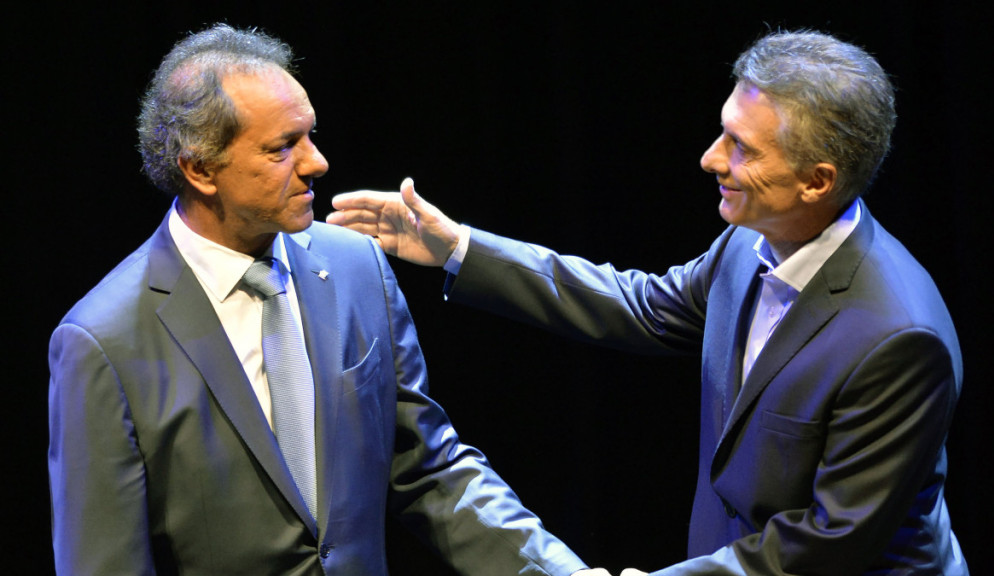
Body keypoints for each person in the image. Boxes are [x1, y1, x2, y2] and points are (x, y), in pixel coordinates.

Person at [328, 30, 968, 575]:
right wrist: (458, 248)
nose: (710, 159)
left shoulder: (898, 339)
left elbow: (834, 540)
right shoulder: (749, 241)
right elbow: (640, 306)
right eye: (723, 133)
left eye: (742, 148)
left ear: (817, 182)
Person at [47, 23, 612, 576]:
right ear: (200, 169)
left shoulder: (355, 267)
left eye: (309, 135)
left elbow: (428, 467)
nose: (316, 162)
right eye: (282, 147)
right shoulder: (103, 342)